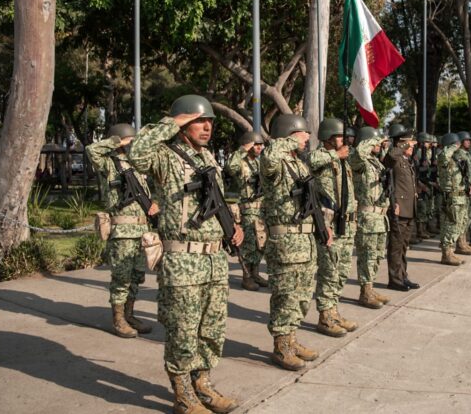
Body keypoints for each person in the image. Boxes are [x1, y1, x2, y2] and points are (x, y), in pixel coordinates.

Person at [129, 95, 241, 414]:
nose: (206, 126)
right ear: (182, 124)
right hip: (183, 259)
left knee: (212, 328)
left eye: (209, 122)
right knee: (183, 329)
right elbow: (137, 155)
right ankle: (183, 395)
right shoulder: (163, 155)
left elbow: (216, 200)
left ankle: (202, 384)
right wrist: (171, 122)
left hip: (215, 259)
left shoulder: (208, 158)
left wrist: (233, 226)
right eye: (198, 121)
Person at [260, 114, 327, 371]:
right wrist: (287, 141)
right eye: (303, 133)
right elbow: (268, 158)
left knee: (301, 296)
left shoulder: (298, 164)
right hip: (286, 240)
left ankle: (292, 338)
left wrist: (322, 228)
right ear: (289, 134)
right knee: (285, 296)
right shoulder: (275, 162)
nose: (308, 138)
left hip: (305, 239)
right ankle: (281, 346)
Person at [86, 123, 158, 338]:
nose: (132, 144)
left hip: (141, 229)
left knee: (137, 276)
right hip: (122, 230)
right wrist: (116, 141)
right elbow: (91, 150)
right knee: (122, 276)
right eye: (130, 140)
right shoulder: (108, 163)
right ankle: (118, 319)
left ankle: (130, 314)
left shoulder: (137, 166)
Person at [309, 118, 359, 337]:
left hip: (346, 224)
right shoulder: (322, 156)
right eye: (339, 136)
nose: (344, 140)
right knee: (329, 271)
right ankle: (325, 316)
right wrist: (334, 155)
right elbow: (309, 161)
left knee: (341, 271)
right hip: (329, 224)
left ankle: (334, 310)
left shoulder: (343, 160)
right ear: (328, 137)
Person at [349, 126, 392, 309]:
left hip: (380, 216)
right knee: (367, 255)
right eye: (376, 142)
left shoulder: (376, 162)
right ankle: (364, 292)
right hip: (367, 216)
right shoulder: (359, 161)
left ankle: (370, 287)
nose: (379, 145)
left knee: (376, 255)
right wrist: (373, 140)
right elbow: (358, 154)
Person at [224, 131, 268, 291]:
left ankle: (255, 272)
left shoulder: (258, 162)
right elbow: (229, 167)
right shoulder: (239, 162)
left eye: (261, 145)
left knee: (260, 243)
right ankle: (247, 276)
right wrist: (243, 149)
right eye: (256, 144)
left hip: (261, 208)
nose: (260, 147)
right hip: (246, 209)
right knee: (249, 244)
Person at [384, 124, 419, 291]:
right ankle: (395, 279)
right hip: (399, 208)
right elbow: (389, 158)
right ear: (401, 144)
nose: (412, 147)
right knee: (396, 246)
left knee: (403, 246)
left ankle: (403, 276)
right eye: (409, 145)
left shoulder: (405, 161)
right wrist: (403, 145)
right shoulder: (395, 158)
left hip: (408, 208)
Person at [436, 133, 467, 266]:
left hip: (459, 196)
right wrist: (453, 146)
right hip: (451, 198)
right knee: (449, 225)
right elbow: (443, 156)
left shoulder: (455, 159)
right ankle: (446, 254)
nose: (458, 147)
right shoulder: (444, 158)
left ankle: (451, 252)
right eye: (456, 144)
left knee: (457, 225)